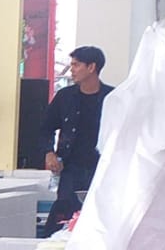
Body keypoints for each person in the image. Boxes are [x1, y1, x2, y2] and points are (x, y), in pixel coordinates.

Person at [39, 45, 114, 233]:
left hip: (102, 167)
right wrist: (49, 153)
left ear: (91, 67)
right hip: (71, 168)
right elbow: (45, 127)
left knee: (100, 213)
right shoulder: (65, 97)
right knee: (65, 211)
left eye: (76, 65)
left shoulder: (112, 98)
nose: (72, 69)